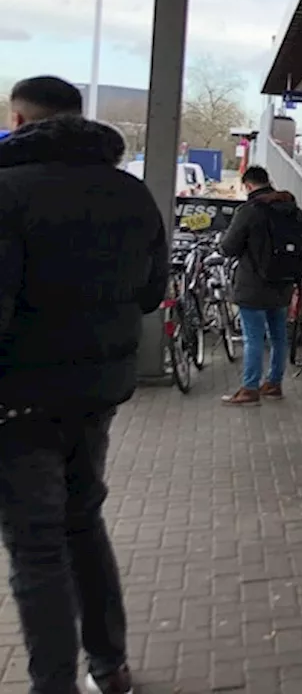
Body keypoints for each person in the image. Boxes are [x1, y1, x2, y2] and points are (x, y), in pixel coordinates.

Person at [0, 76, 167, 694]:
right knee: (83, 524)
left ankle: (53, 684)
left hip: (17, 402)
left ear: (18, 121)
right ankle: (110, 666)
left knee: (36, 548)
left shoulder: (6, 191)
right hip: (99, 393)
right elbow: (153, 292)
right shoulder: (131, 193)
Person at [219, 166, 302, 405]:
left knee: (253, 338)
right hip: (284, 283)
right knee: (279, 336)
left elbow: (229, 247)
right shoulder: (292, 210)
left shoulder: (250, 210)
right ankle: (274, 384)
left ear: (248, 185)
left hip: (254, 285)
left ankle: (249, 388)